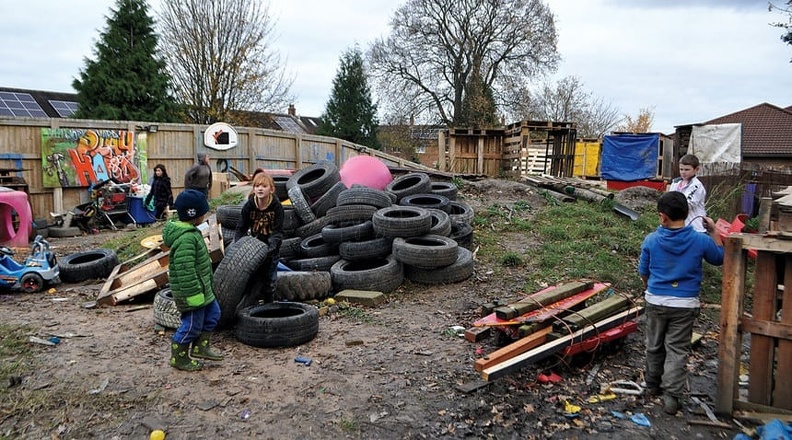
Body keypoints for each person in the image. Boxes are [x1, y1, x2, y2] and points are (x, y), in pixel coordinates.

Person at [638, 191, 724, 415]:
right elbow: (720, 257)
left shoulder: (651, 240)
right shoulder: (700, 240)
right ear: (687, 213)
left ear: (662, 217)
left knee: (654, 345)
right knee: (677, 350)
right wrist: (714, 231)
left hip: (656, 300)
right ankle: (671, 397)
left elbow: (643, 272)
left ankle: (651, 386)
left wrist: (651, 287)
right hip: (685, 304)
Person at [162, 189, 223, 371]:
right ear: (193, 214)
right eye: (203, 213)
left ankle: (200, 347)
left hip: (203, 289)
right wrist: (194, 293)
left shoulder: (192, 232)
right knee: (191, 326)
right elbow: (184, 270)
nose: (205, 216)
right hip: (193, 292)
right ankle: (179, 357)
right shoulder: (186, 239)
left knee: (213, 314)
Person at [234, 172, 284, 303]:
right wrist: (238, 246)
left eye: (264, 186)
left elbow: (278, 231)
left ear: (271, 189)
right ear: (254, 189)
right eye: (257, 186)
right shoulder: (249, 206)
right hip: (254, 246)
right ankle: (252, 303)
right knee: (252, 277)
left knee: (270, 280)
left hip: (271, 249)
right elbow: (241, 228)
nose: (260, 189)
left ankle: (269, 303)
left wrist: (271, 247)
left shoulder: (277, 207)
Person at [669, 154, 707, 232]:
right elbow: (668, 201)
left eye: (687, 170)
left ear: (696, 169)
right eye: (681, 169)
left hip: (695, 228)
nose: (683, 172)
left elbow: (686, 206)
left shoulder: (696, 186)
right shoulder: (675, 183)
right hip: (678, 227)